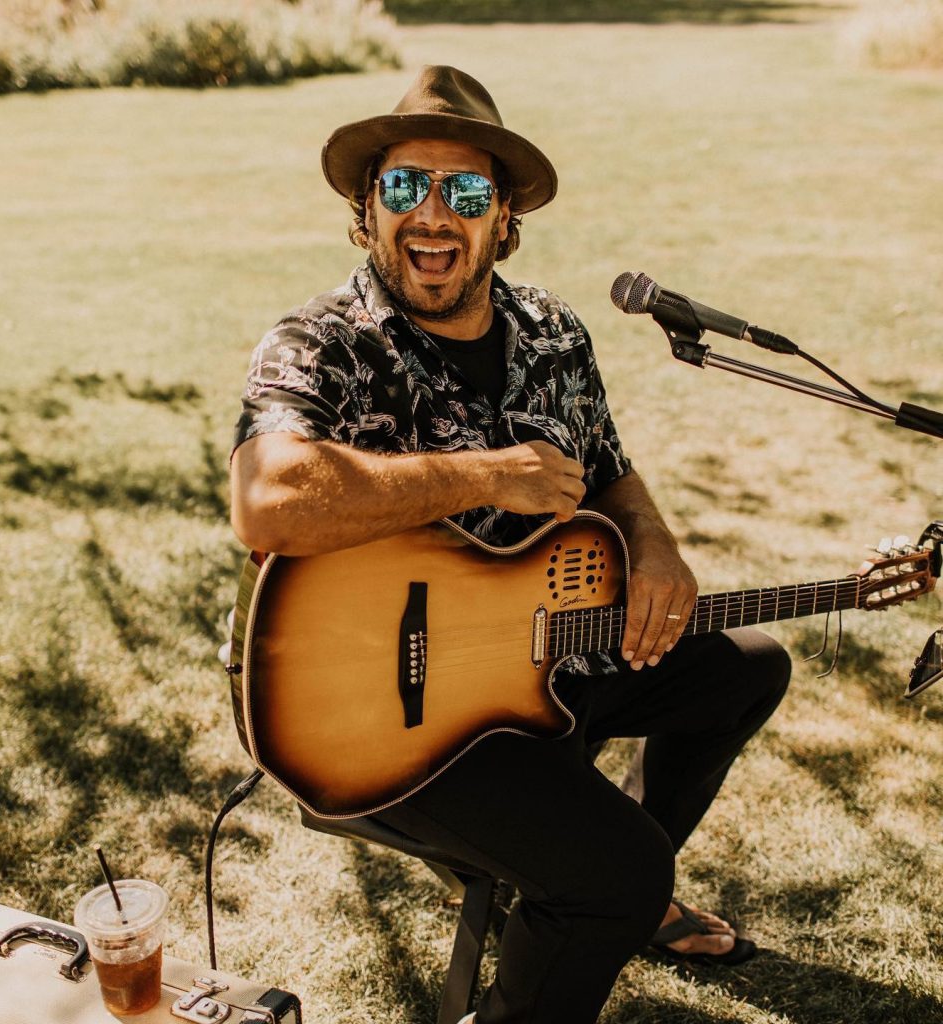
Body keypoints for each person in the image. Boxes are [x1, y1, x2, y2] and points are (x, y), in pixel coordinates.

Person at [230, 65, 790, 1024]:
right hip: (354, 707)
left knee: (746, 664)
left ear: (503, 222)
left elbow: (609, 469)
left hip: (533, 656)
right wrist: (487, 473)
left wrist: (655, 547)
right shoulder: (323, 342)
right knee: (615, 869)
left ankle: (598, 893)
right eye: (404, 187)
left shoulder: (554, 333)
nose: (433, 214)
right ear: (367, 213)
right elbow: (268, 501)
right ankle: (605, 893)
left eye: (467, 192)